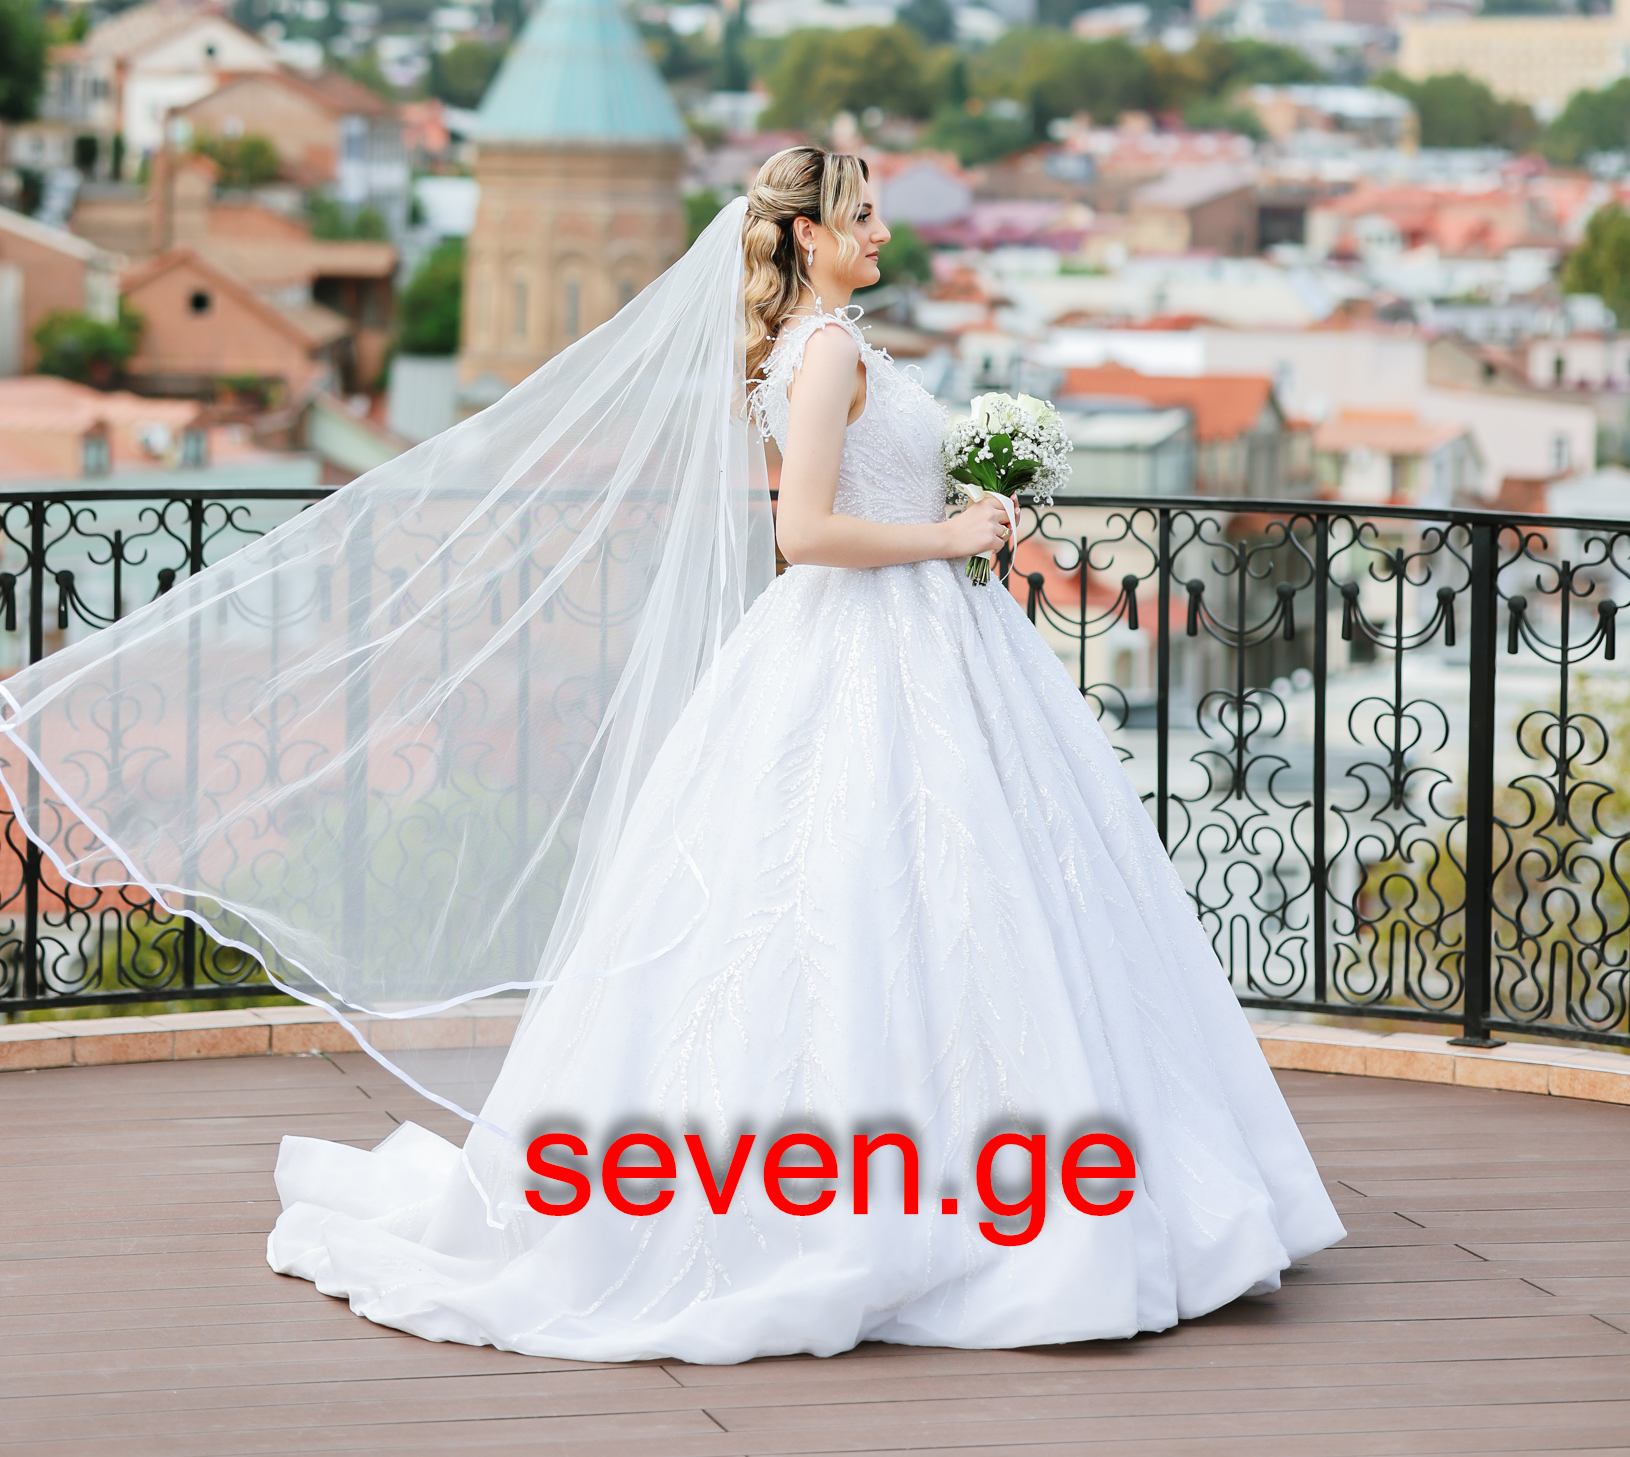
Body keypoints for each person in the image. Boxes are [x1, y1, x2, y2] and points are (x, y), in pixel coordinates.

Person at [258, 145, 1341, 1359]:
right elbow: (809, 530)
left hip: (923, 639)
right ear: (806, 237)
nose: (881, 230)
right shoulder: (822, 351)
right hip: (872, 640)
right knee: (879, 894)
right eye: (859, 215)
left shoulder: (829, 343)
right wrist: (949, 533)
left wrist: (971, 498)